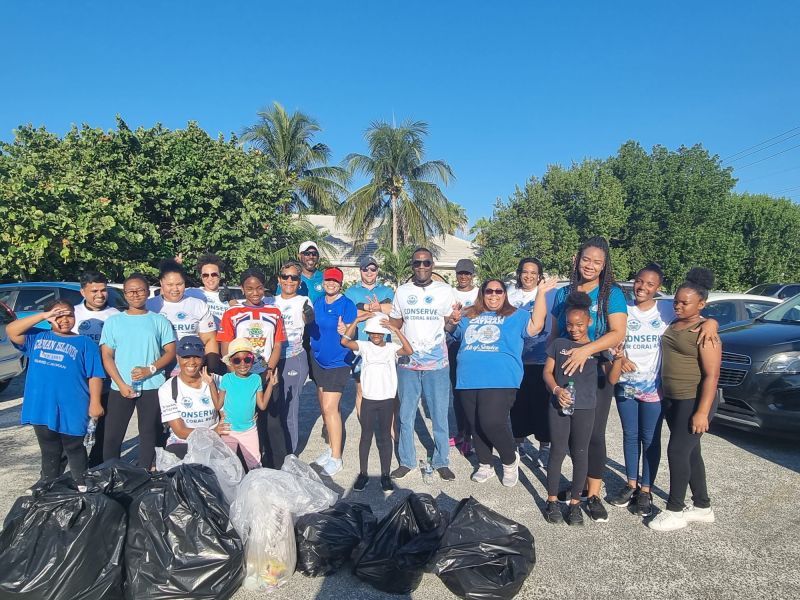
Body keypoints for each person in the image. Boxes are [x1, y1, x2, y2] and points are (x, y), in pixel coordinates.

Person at [445, 277, 554, 487]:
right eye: (489, 291)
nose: (493, 295)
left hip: (501, 378)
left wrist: (540, 294)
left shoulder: (516, 315)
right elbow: (451, 331)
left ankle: (509, 459)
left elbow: (537, 325)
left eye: (498, 291)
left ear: (505, 295)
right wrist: (452, 320)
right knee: (475, 424)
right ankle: (485, 464)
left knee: (492, 421)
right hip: (468, 378)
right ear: (482, 294)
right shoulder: (469, 315)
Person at [549, 237, 628, 522]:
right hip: (566, 371)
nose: (590, 266)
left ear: (605, 265)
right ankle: (577, 485)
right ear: (576, 259)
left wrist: (586, 351)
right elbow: (555, 334)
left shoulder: (612, 294)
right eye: (586, 259)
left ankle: (592, 494)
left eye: (597, 262)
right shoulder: (563, 294)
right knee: (570, 436)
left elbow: (618, 332)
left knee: (593, 435)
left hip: (596, 371)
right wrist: (550, 370)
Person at [649, 268, 721, 532]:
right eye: (676, 300)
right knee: (691, 453)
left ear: (701, 304)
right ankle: (702, 506)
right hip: (672, 398)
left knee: (677, 451)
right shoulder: (674, 321)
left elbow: (712, 376)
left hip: (694, 399)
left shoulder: (706, 331)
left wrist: (702, 413)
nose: (678, 306)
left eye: (685, 302)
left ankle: (675, 510)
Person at [8, 301, 105, 491]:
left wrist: (95, 403)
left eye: (69, 315)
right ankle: (48, 482)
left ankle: (80, 482)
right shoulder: (36, 337)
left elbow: (95, 375)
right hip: (42, 403)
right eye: (58, 316)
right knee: (49, 447)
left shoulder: (85, 343)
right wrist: (44, 316)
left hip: (73, 404)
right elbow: (11, 330)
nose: (64, 320)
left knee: (74, 446)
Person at [606, 263, 671, 516]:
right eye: (639, 281)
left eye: (650, 284)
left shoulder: (666, 309)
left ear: (658, 288)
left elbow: (696, 313)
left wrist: (709, 323)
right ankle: (631, 484)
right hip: (627, 387)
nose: (642, 287)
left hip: (654, 388)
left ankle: (646, 490)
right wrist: (620, 359)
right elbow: (610, 339)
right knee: (630, 435)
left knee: (650, 438)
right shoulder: (623, 309)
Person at [389, 248, 457, 482]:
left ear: (432, 265)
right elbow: (396, 321)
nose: (421, 266)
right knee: (406, 415)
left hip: (437, 363)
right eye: (417, 262)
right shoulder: (402, 291)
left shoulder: (444, 291)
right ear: (412, 265)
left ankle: (441, 461)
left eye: (426, 263)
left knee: (439, 415)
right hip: (408, 363)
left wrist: (454, 322)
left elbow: (450, 324)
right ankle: (406, 461)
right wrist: (382, 315)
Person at [542, 291, 610, 526]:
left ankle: (575, 504)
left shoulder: (597, 348)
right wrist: (556, 391)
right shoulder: (559, 344)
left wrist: (619, 358)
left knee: (580, 454)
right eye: (570, 324)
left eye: (579, 324)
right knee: (558, 451)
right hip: (559, 405)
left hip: (586, 408)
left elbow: (611, 378)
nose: (574, 329)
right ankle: (551, 501)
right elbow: (547, 373)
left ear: (589, 322)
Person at [101, 273, 176, 469]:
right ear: (125, 294)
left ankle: (145, 473)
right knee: (112, 435)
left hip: (152, 385)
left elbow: (170, 352)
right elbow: (107, 355)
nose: (136, 295)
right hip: (122, 387)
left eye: (140, 290)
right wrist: (120, 382)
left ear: (147, 292)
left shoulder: (159, 321)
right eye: (131, 291)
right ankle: (111, 472)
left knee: (149, 432)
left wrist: (150, 369)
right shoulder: (114, 322)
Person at [217, 268, 286, 468]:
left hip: (265, 373)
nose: (255, 293)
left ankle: (275, 467)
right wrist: (235, 375)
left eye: (259, 288)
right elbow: (226, 345)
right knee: (242, 420)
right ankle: (240, 468)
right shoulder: (232, 312)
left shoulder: (274, 312)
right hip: (240, 374)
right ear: (242, 289)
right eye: (249, 289)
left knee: (271, 422)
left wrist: (269, 370)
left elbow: (278, 344)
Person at [339, 314, 413, 493]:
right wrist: (356, 321)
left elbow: (409, 350)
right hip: (369, 399)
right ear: (368, 333)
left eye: (379, 333)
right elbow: (344, 342)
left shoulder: (391, 347)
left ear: (384, 333)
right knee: (366, 436)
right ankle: (363, 473)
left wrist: (395, 329)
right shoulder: (364, 346)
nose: (376, 336)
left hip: (387, 399)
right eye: (372, 333)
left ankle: (385, 475)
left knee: (385, 438)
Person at [308, 267, 357, 477]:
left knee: (330, 408)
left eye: (335, 281)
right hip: (318, 359)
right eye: (328, 280)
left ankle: (336, 458)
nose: (331, 284)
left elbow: (351, 330)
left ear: (340, 284)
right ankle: (330, 449)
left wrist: (345, 330)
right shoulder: (318, 302)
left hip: (338, 362)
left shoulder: (347, 304)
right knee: (325, 407)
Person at [507, 257, 554, 468]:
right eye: (525, 272)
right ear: (519, 273)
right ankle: (518, 443)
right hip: (516, 360)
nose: (529, 276)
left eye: (533, 272)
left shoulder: (548, 294)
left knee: (542, 406)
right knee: (517, 405)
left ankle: (545, 447)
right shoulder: (509, 295)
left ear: (539, 276)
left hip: (542, 359)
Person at [72, 270, 119, 467]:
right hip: (79, 380)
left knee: (105, 425)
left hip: (107, 379)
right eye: (94, 291)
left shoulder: (115, 315)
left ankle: (98, 464)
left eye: (103, 290)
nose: (100, 295)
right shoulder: (72, 313)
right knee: (76, 425)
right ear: (83, 292)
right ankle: (76, 465)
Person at [158, 335, 228, 458]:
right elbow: (180, 431)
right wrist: (213, 432)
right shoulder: (167, 388)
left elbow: (226, 416)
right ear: (178, 358)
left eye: (196, 357)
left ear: (203, 358)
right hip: (182, 442)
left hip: (215, 441)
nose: (191, 362)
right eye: (186, 357)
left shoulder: (218, 381)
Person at [344, 255, 395, 419]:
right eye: (365, 269)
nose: (369, 272)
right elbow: (352, 313)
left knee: (388, 389)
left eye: (373, 269)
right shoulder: (351, 291)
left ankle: (388, 430)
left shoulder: (387, 290)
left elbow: (392, 309)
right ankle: (366, 427)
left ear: (377, 271)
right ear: (360, 271)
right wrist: (370, 308)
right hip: (361, 347)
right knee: (361, 389)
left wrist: (379, 307)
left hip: (384, 348)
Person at [147, 259, 219, 373]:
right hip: (158, 367)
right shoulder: (149, 305)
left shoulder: (198, 305)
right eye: (170, 285)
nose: (175, 289)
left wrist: (213, 370)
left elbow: (209, 339)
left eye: (179, 284)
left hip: (191, 367)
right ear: (161, 283)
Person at [273, 261, 314, 454]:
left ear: (299, 281)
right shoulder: (269, 301)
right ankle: (273, 449)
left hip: (294, 358)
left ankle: (290, 453)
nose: (289, 281)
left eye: (294, 277)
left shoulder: (303, 301)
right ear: (279, 279)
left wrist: (309, 316)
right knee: (271, 406)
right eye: (285, 277)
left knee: (290, 407)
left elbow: (309, 319)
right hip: (271, 360)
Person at [219, 338, 277, 470]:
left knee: (255, 464)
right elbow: (218, 405)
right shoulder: (226, 379)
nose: (243, 364)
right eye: (237, 360)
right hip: (228, 430)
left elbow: (262, 405)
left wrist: (271, 386)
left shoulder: (256, 379)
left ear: (252, 360)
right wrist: (211, 384)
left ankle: (255, 489)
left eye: (247, 359)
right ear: (231, 363)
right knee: (227, 465)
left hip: (249, 430)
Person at [448, 258, 479, 453]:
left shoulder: (480, 294)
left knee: (473, 392)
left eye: (467, 273)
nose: (464, 277)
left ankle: (472, 434)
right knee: (457, 391)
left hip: (474, 346)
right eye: (460, 273)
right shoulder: (449, 293)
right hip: (453, 344)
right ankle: (461, 432)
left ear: (472, 275)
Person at [185, 253, 230, 326]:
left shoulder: (227, 297)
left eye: (214, 274)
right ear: (201, 277)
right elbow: (168, 294)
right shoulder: (191, 293)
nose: (210, 278)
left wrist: (231, 299)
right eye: (205, 275)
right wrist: (174, 269)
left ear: (220, 275)